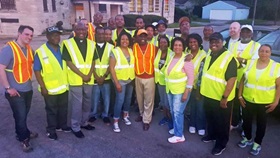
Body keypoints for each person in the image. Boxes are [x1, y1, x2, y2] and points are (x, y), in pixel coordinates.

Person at [0, 25, 38, 152]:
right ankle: (24, 139)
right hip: (15, 91)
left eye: (31, 35)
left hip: (27, 88)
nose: (29, 37)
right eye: (27, 34)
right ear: (19, 34)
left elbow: (37, 58)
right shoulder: (9, 49)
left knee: (22, 115)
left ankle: (22, 132)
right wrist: (8, 88)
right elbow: (1, 69)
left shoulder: (28, 48)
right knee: (20, 115)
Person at [237, 44, 280, 156]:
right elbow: (242, 80)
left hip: (264, 102)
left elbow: (279, 86)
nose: (264, 53)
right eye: (262, 51)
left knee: (261, 124)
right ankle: (247, 138)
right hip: (247, 98)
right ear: (258, 52)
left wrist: (276, 102)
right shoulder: (250, 63)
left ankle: (257, 143)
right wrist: (240, 95)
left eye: (267, 51)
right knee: (246, 121)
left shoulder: (276, 66)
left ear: (270, 53)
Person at [200, 32, 237, 155]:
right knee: (211, 119)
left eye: (217, 41)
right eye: (212, 42)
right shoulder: (210, 54)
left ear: (223, 42)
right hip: (209, 95)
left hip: (221, 98)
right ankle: (212, 135)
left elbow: (232, 79)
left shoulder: (229, 58)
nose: (214, 44)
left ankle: (221, 144)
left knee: (222, 123)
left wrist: (224, 97)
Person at [34, 26, 70, 140]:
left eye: (58, 35)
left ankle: (62, 125)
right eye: (53, 35)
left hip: (63, 86)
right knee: (51, 111)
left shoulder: (62, 48)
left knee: (63, 108)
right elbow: (37, 71)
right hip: (49, 89)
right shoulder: (41, 51)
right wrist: (43, 87)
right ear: (47, 37)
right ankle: (51, 130)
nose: (56, 37)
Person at [62, 22, 96, 138]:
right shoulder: (67, 44)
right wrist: (83, 75)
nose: (81, 32)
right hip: (75, 79)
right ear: (74, 30)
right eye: (79, 29)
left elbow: (93, 61)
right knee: (77, 104)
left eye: (83, 29)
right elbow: (68, 62)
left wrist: (89, 75)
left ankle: (84, 122)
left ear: (86, 30)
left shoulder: (92, 44)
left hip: (88, 79)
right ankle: (75, 126)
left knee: (87, 102)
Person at [229, 25, 260, 130]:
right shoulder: (233, 44)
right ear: (240, 33)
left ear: (251, 34)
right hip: (233, 78)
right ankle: (235, 122)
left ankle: (245, 127)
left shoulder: (256, 46)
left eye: (248, 32)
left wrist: (242, 60)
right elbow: (229, 58)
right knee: (235, 103)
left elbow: (255, 62)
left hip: (246, 80)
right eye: (243, 31)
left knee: (245, 105)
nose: (245, 34)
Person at [165, 37, 194, 143]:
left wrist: (186, 92)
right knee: (173, 110)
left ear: (183, 47)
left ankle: (179, 135)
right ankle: (177, 128)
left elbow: (191, 77)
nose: (177, 47)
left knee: (178, 112)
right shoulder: (171, 56)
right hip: (171, 89)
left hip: (181, 91)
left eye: (180, 45)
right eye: (175, 45)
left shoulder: (186, 59)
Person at [109, 32, 134, 133]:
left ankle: (125, 115)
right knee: (120, 100)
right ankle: (115, 120)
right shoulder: (115, 51)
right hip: (120, 80)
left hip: (130, 79)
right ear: (119, 40)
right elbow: (111, 68)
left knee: (128, 99)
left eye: (127, 39)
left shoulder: (131, 50)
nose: (125, 41)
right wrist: (117, 83)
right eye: (123, 39)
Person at [89, 27, 114, 125]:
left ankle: (105, 115)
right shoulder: (91, 46)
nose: (101, 36)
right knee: (94, 98)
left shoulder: (111, 47)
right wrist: (95, 76)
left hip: (106, 78)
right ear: (95, 35)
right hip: (94, 78)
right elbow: (90, 63)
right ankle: (94, 114)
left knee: (106, 98)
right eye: (98, 34)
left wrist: (104, 76)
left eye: (103, 34)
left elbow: (111, 64)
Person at [133, 29, 157, 131]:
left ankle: (146, 120)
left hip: (150, 77)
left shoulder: (154, 48)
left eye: (144, 36)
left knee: (149, 99)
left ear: (147, 37)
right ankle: (142, 114)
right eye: (140, 36)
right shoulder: (133, 47)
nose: (143, 38)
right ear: (137, 37)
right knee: (139, 98)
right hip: (138, 76)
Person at [186, 33, 207, 136]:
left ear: (199, 43)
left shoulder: (204, 55)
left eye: (194, 42)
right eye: (190, 42)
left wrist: (199, 87)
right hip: (187, 86)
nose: (192, 44)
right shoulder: (186, 53)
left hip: (199, 86)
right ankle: (192, 124)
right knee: (191, 106)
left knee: (200, 107)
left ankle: (201, 126)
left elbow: (203, 73)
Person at [154, 36, 173, 129]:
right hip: (159, 82)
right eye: (161, 42)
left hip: (168, 83)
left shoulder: (172, 54)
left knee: (168, 103)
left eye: (165, 42)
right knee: (163, 102)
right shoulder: (158, 52)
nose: (163, 44)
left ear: (168, 43)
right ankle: (166, 117)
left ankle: (171, 120)